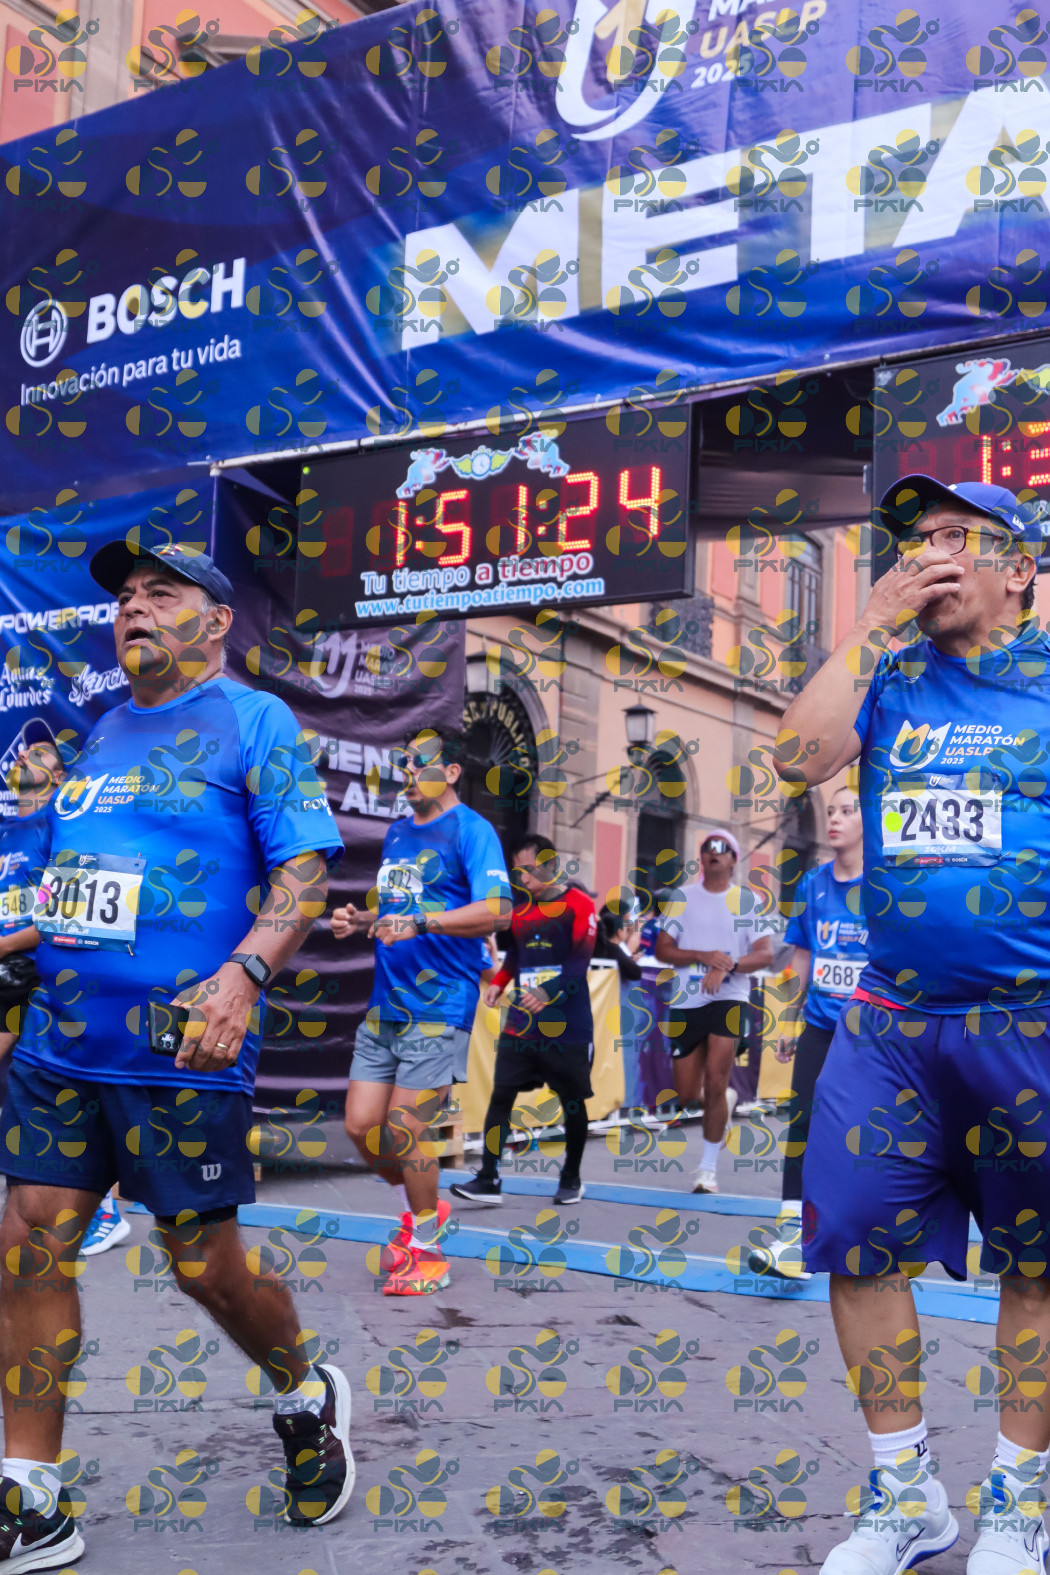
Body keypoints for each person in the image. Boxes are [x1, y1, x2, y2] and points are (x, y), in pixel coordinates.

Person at [0, 539, 353, 1571]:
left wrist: (244, 974)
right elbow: (73, 892)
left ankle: (304, 1390)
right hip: (64, 1044)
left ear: (217, 620)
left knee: (204, 1267)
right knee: (28, 1239)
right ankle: (30, 1492)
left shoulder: (255, 720)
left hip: (180, 1047)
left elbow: (303, 874)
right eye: (125, 595)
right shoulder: (102, 735)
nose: (134, 607)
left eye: (161, 591)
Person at [778, 474, 1050, 1575]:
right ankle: (907, 1496)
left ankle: (1020, 1504)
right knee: (855, 1246)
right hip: (889, 1025)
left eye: (956, 537)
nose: (927, 554)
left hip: (1030, 1024)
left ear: (1020, 569)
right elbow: (796, 760)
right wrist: (866, 626)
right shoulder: (887, 680)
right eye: (914, 540)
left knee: (1037, 1266)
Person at [332, 726, 511, 1295]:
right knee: (361, 1128)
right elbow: (402, 906)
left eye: (419, 762)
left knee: (405, 1128)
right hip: (386, 1003)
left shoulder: (472, 831)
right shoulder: (397, 831)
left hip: (441, 1004)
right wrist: (362, 919)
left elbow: (497, 912)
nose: (406, 772)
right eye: (403, 762)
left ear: (451, 772)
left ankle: (428, 1252)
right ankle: (423, 1210)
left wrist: (422, 922)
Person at [0, 721, 128, 1258]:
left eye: (38, 754)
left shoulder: (66, 823)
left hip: (52, 971)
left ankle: (107, 1211)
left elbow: (67, 909)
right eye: (20, 754)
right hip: (10, 970)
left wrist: (6, 945)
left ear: (58, 776)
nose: (22, 758)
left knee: (84, 1081)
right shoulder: (7, 830)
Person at [747, 780, 866, 1280]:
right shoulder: (813, 885)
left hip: (870, 1034)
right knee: (803, 1125)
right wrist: (789, 1020)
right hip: (819, 1025)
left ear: (869, 822)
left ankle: (856, 1231)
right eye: (831, 811)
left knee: (860, 1132)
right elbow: (802, 957)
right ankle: (791, 1236)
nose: (834, 818)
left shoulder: (884, 887)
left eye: (847, 811)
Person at [451, 834, 598, 1208]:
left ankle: (572, 1177)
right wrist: (499, 983)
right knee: (501, 1095)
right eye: (518, 872)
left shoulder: (580, 904)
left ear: (551, 866)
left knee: (572, 1102)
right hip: (522, 1024)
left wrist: (548, 991)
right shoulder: (519, 910)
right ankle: (489, 1177)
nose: (523, 878)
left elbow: (579, 963)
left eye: (529, 870)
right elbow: (516, 956)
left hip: (567, 1025)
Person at [654, 830, 774, 1194]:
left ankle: (707, 1171)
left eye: (722, 849)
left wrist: (729, 965)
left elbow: (765, 954)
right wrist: (702, 956)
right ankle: (722, 1102)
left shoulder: (747, 901)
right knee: (687, 1094)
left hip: (730, 998)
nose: (714, 853)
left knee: (717, 1078)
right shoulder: (682, 898)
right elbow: (662, 950)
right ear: (701, 856)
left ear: (734, 859)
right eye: (708, 848)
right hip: (686, 1000)